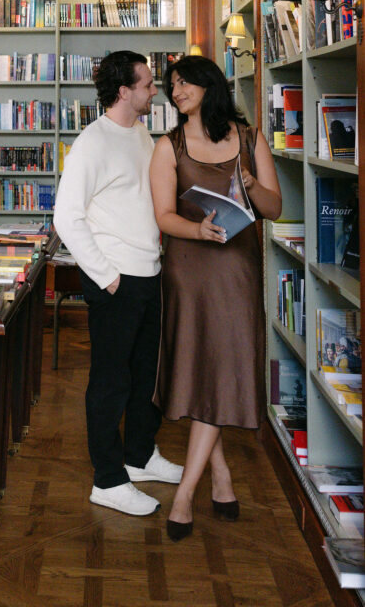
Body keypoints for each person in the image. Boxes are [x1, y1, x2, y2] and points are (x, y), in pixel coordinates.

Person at [149, 55, 281, 541]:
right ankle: (216, 478)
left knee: (222, 369)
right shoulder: (169, 145)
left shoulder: (250, 140)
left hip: (238, 273)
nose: (177, 90)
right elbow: (163, 215)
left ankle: (188, 490)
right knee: (205, 371)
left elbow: (276, 206)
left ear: (210, 85)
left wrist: (249, 184)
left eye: (185, 82)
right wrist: (198, 231)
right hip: (189, 271)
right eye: (171, 85)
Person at [53, 50, 183, 517]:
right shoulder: (92, 141)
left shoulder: (143, 134)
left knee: (146, 375)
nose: (155, 90)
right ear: (125, 91)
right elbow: (65, 216)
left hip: (149, 272)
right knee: (110, 382)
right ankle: (108, 480)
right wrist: (106, 276)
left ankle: (140, 455)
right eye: (147, 84)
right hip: (116, 279)